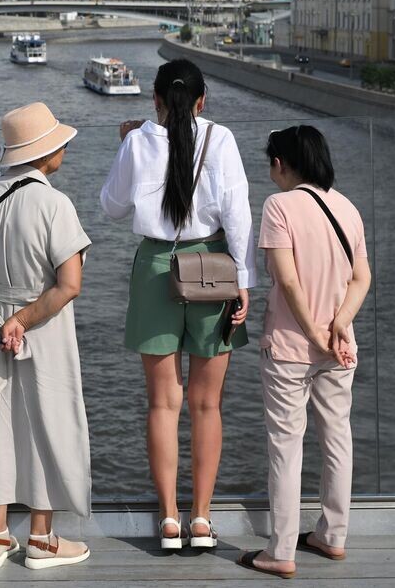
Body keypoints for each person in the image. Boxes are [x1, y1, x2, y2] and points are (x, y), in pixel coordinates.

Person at [100, 59, 254, 551]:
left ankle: (169, 519)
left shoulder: (137, 141)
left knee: (163, 403)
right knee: (208, 405)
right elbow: (238, 214)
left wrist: (126, 144)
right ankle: (202, 519)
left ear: (156, 100)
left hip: (156, 269)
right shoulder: (221, 139)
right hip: (213, 268)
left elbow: (111, 207)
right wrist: (244, 280)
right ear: (202, 101)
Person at [0, 103, 92, 571]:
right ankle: (41, 539)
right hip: (41, 323)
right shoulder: (55, 204)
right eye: (59, 144)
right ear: (44, 153)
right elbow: (69, 285)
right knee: (48, 420)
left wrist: (5, 312)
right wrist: (23, 318)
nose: (64, 149)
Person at [238, 126, 371, 578]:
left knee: (285, 446)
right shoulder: (347, 207)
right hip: (340, 346)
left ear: (280, 163)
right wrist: (338, 324)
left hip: (290, 346)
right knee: (338, 438)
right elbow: (362, 278)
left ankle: (281, 550)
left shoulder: (279, 206)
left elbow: (288, 280)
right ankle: (333, 536)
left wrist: (313, 332)